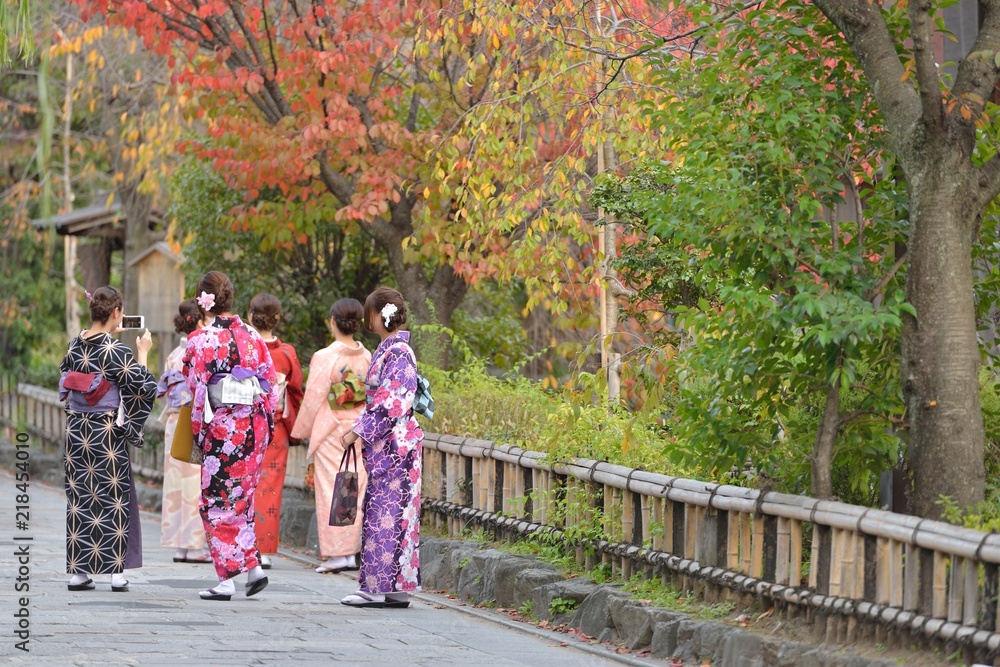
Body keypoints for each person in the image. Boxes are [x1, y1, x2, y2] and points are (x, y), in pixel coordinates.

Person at [182, 271, 277, 601]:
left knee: (214, 503)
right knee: (243, 500)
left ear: (202, 301)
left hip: (222, 430)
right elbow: (270, 384)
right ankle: (254, 570)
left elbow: (197, 392)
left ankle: (226, 580)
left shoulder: (202, 341)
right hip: (254, 426)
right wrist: (267, 425)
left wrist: (198, 432)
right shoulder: (253, 336)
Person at [58, 286, 157, 592]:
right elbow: (142, 387)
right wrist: (142, 353)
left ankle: (79, 572)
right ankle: (117, 574)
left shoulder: (75, 346)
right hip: (106, 430)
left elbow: (65, 377)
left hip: (76, 431)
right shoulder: (116, 350)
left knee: (80, 498)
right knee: (114, 497)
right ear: (116, 313)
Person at [340, 287, 423, 609]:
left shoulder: (398, 353)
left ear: (379, 315)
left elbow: (392, 403)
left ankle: (376, 588)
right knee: (396, 514)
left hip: (394, 447)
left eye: (369, 313)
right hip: (393, 446)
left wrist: (356, 431)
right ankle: (396, 589)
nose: (366, 319)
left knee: (385, 514)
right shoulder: (392, 350)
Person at [290, 298, 370, 574]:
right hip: (358, 428)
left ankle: (338, 553)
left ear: (333, 321)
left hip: (332, 429)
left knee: (330, 489)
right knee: (350, 488)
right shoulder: (367, 356)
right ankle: (348, 552)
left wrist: (298, 431)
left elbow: (312, 399)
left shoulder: (326, 357)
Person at [247, 292, 303, 569]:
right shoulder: (286, 353)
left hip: (243, 426)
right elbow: (296, 393)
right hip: (275, 427)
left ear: (249, 316)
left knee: (243, 485)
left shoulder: (242, 348)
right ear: (277, 319)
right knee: (269, 489)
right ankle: (263, 550)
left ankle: (241, 546)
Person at [157, 298, 211, 564]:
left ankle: (180, 545)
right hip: (193, 420)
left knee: (176, 484)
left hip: (173, 421)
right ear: (200, 321)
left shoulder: (175, 353)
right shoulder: (200, 350)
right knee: (194, 483)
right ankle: (194, 546)